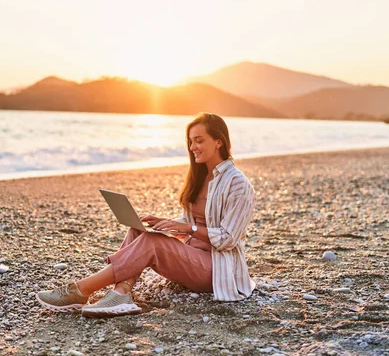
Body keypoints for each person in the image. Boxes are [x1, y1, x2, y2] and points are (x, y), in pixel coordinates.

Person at [36, 113, 256, 318]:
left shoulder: (237, 183)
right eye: (190, 141)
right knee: (138, 231)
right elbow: (191, 222)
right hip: (191, 256)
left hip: (217, 269)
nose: (192, 147)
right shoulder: (199, 177)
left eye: (199, 141)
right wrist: (165, 223)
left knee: (152, 243)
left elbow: (228, 239)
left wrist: (188, 229)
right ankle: (121, 292)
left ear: (219, 141)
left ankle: (81, 289)